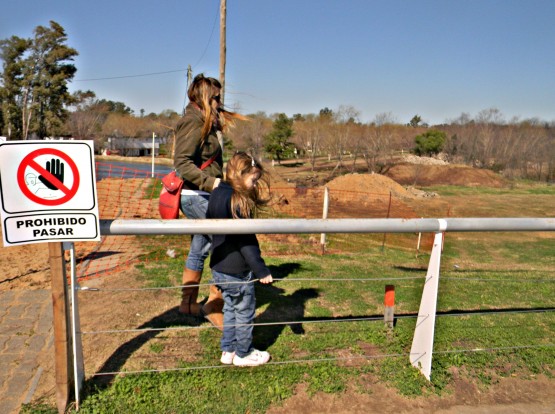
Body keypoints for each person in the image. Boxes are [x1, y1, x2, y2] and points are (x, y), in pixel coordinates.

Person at [174, 74, 245, 328]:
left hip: (202, 194)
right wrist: (212, 183)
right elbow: (182, 163)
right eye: (215, 97)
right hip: (196, 195)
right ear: (205, 97)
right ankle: (214, 305)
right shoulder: (193, 121)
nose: (219, 101)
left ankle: (188, 303)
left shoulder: (204, 120)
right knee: (222, 242)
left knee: (201, 245)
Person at [206, 151, 273, 366]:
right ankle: (244, 353)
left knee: (230, 307)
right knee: (244, 311)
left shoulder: (217, 193)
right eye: (253, 180)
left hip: (219, 265)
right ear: (242, 174)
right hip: (237, 269)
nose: (254, 185)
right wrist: (261, 270)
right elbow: (246, 242)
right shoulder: (238, 201)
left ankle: (228, 349)